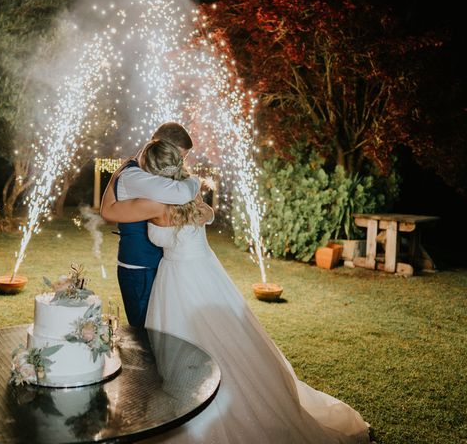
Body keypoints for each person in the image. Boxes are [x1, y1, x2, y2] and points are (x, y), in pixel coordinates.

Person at [100, 139, 371, 443]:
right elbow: (207, 213)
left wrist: (115, 177)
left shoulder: (154, 203)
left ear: (151, 171)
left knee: (182, 348)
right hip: (206, 272)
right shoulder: (191, 193)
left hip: (176, 280)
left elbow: (108, 211)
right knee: (226, 340)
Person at [100, 122, 200, 328]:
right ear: (160, 146)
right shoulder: (133, 175)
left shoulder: (149, 173)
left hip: (158, 265)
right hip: (140, 267)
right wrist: (195, 180)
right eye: (181, 156)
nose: (181, 163)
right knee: (146, 331)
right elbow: (181, 193)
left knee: (163, 329)